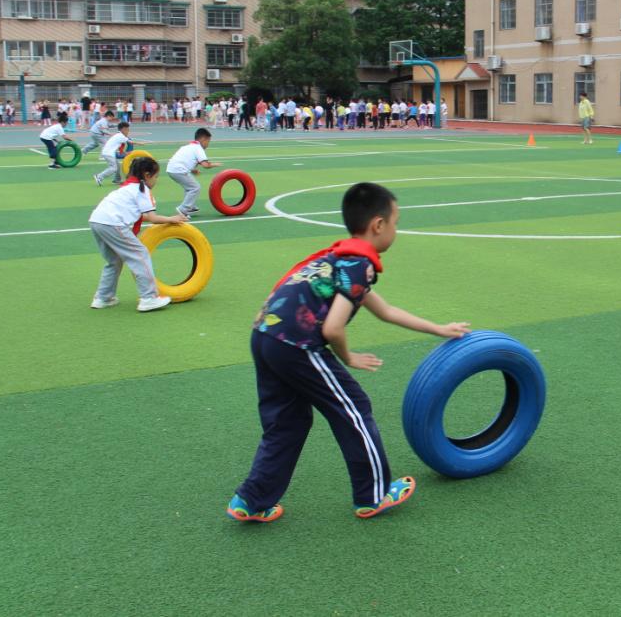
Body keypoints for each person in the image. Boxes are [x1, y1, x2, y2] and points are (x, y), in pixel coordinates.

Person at [228, 182, 470, 523]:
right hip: (296, 344)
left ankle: (251, 500)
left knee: (288, 422)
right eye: (396, 222)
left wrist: (438, 328)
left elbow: (385, 310)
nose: (396, 230)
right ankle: (373, 495)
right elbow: (332, 329)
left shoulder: (341, 256)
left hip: (265, 336)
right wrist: (348, 356)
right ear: (378, 225)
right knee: (354, 408)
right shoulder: (360, 265)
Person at [88, 155, 187, 313]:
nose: (156, 180)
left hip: (96, 221)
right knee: (140, 254)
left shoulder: (127, 187)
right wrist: (171, 219)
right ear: (147, 175)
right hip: (114, 223)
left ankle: (103, 298)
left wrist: (167, 219)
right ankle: (148, 298)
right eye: (156, 177)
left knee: (113, 260)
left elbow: (145, 216)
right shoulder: (142, 190)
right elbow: (152, 218)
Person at [168, 128, 221, 217]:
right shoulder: (198, 148)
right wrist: (215, 164)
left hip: (172, 169)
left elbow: (184, 160)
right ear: (203, 139)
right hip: (178, 170)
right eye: (208, 141)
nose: (208, 144)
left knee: (189, 187)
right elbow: (205, 165)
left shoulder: (188, 146)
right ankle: (183, 209)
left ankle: (190, 207)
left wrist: (193, 170)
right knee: (195, 187)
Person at [95, 120, 131, 186]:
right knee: (113, 168)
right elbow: (130, 142)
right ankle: (99, 176)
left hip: (108, 152)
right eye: (127, 130)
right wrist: (141, 143)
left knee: (117, 166)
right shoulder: (121, 136)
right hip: (108, 153)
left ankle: (117, 180)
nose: (128, 132)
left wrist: (125, 153)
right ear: (123, 129)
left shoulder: (119, 135)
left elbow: (120, 148)